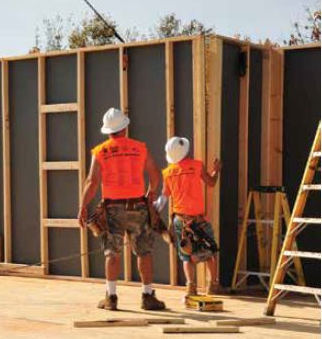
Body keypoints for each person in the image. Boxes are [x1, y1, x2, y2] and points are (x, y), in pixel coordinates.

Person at [78, 108, 166, 311]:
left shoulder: (101, 151)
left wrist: (83, 206)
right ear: (125, 128)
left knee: (112, 253)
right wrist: (151, 192)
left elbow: (92, 181)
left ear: (108, 131)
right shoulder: (140, 148)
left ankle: (111, 297)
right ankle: (147, 295)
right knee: (144, 252)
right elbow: (155, 175)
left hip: (112, 208)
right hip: (138, 206)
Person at [158, 136, 222, 296]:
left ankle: (191, 287)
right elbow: (211, 182)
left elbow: (164, 196)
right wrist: (216, 170)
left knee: (186, 255)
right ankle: (212, 285)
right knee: (209, 252)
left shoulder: (167, 173)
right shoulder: (197, 166)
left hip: (180, 219)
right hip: (197, 220)